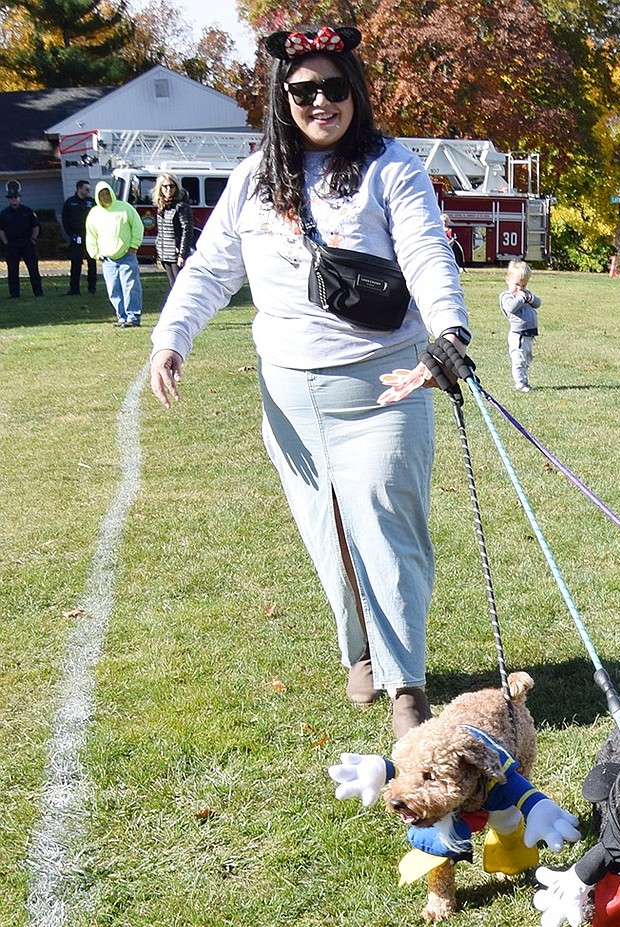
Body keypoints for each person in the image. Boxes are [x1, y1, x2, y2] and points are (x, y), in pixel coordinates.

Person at [148, 25, 473, 738]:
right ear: (280, 97)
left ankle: (406, 685)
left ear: (354, 90)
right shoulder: (254, 178)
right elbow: (208, 270)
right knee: (328, 536)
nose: (320, 101)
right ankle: (360, 652)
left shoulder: (393, 167)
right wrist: (172, 337)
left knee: (389, 534)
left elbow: (426, 253)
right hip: (290, 399)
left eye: (333, 87)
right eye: (303, 90)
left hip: (385, 387)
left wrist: (449, 329)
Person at [85, 181, 144, 326]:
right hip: (107, 260)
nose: (105, 197)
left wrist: (134, 246)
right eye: (102, 195)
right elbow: (91, 235)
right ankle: (121, 317)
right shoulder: (94, 214)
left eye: (107, 193)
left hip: (126, 256)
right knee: (113, 289)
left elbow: (137, 227)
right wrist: (95, 254)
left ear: (111, 193)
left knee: (130, 286)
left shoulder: (125, 208)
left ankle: (133, 317)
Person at [499, 259, 540, 393]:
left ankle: (524, 379)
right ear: (507, 280)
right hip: (518, 334)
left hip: (529, 333)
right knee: (519, 359)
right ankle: (520, 383)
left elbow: (538, 303)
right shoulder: (507, 296)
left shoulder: (525, 294)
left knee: (527, 358)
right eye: (517, 284)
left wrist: (530, 297)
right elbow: (511, 308)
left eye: (524, 285)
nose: (520, 289)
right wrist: (521, 298)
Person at [0, 181, 44, 299]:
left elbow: (36, 226)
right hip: (12, 245)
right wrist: (6, 243)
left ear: (19, 198)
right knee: (13, 270)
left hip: (27, 244)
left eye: (15, 197)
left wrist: (33, 239)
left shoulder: (28, 211)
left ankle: (38, 291)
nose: (14, 199)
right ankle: (14, 293)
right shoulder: (4, 214)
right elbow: (1, 230)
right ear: (9, 199)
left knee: (33, 268)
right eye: (11, 198)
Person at [153, 172, 195, 287]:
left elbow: (187, 231)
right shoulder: (160, 207)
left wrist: (182, 254)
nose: (168, 189)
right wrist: (159, 251)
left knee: (181, 285)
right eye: (165, 186)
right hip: (165, 253)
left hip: (177, 254)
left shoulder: (181, 207)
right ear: (160, 188)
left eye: (172, 186)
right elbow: (160, 232)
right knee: (173, 285)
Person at [62, 179, 97, 295]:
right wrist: (71, 234)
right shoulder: (70, 202)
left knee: (92, 263)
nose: (88, 191)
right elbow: (65, 220)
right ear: (79, 189)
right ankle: (74, 289)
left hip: (90, 237)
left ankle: (92, 288)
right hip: (76, 236)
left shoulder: (92, 202)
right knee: (76, 263)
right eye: (86, 189)